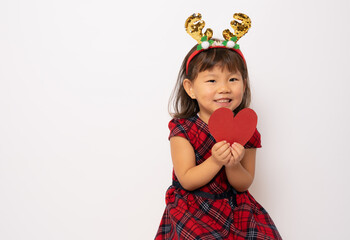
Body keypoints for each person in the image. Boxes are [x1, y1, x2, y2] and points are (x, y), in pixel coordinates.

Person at [155, 13, 282, 240]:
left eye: (233, 79)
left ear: (244, 83)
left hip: (235, 207)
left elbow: (244, 183)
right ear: (190, 88)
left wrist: (233, 165)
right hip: (193, 209)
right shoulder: (183, 130)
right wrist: (216, 160)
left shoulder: (246, 129)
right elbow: (186, 179)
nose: (224, 88)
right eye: (212, 81)